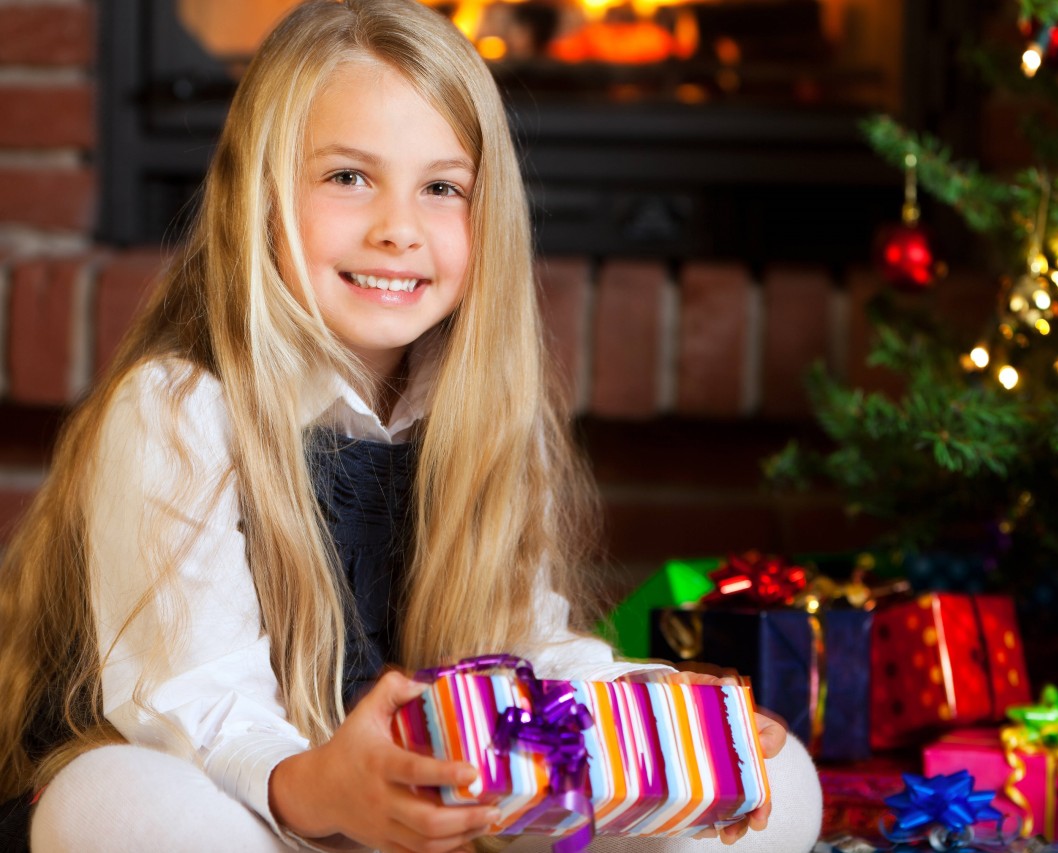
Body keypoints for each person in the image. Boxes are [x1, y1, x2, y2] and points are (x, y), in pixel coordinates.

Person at [0, 1, 822, 851]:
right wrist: (323, 790)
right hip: (262, 805)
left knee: (784, 776)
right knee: (107, 799)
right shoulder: (178, 410)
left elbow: (527, 643)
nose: (398, 229)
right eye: (349, 177)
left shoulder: (484, 414)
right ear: (261, 195)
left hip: (427, 804)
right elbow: (197, 706)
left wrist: (663, 720)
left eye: (441, 188)